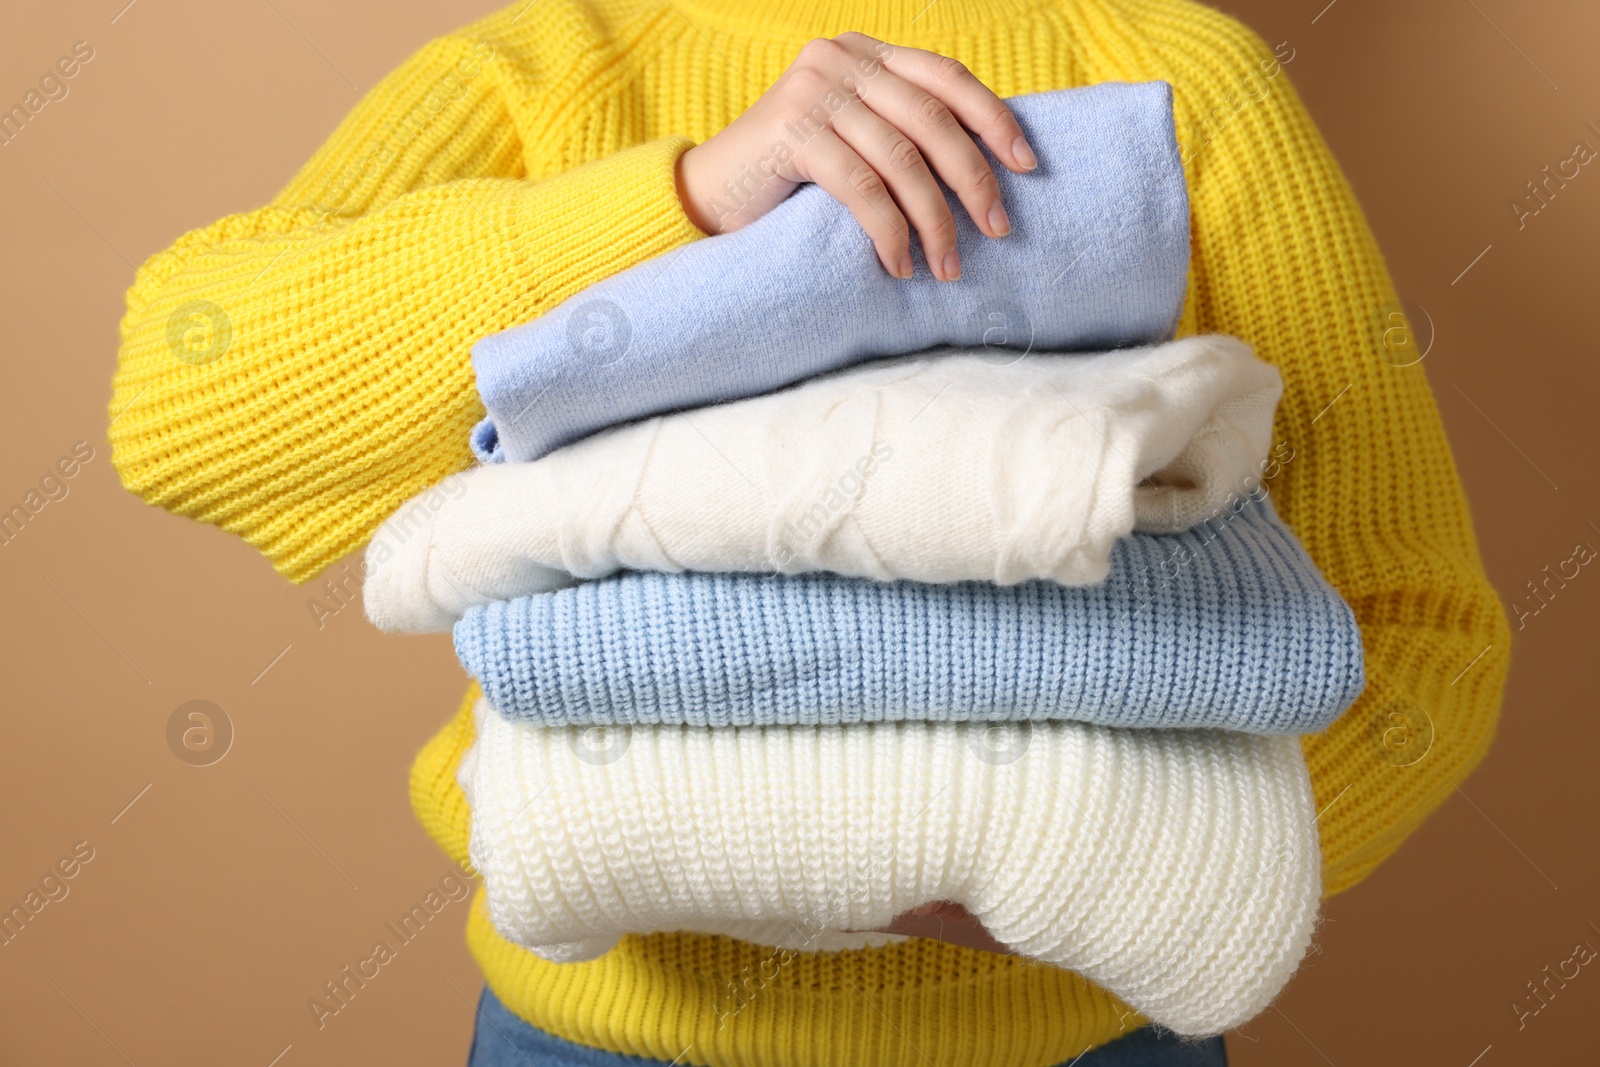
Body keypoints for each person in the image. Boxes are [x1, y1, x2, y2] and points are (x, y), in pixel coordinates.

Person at [106, 1, 1509, 1064]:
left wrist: (1107, 862)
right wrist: (694, 203)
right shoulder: (558, 67)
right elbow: (183, 400)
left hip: (1079, 1040)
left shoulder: (1174, 86)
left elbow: (1416, 631)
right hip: (600, 1043)